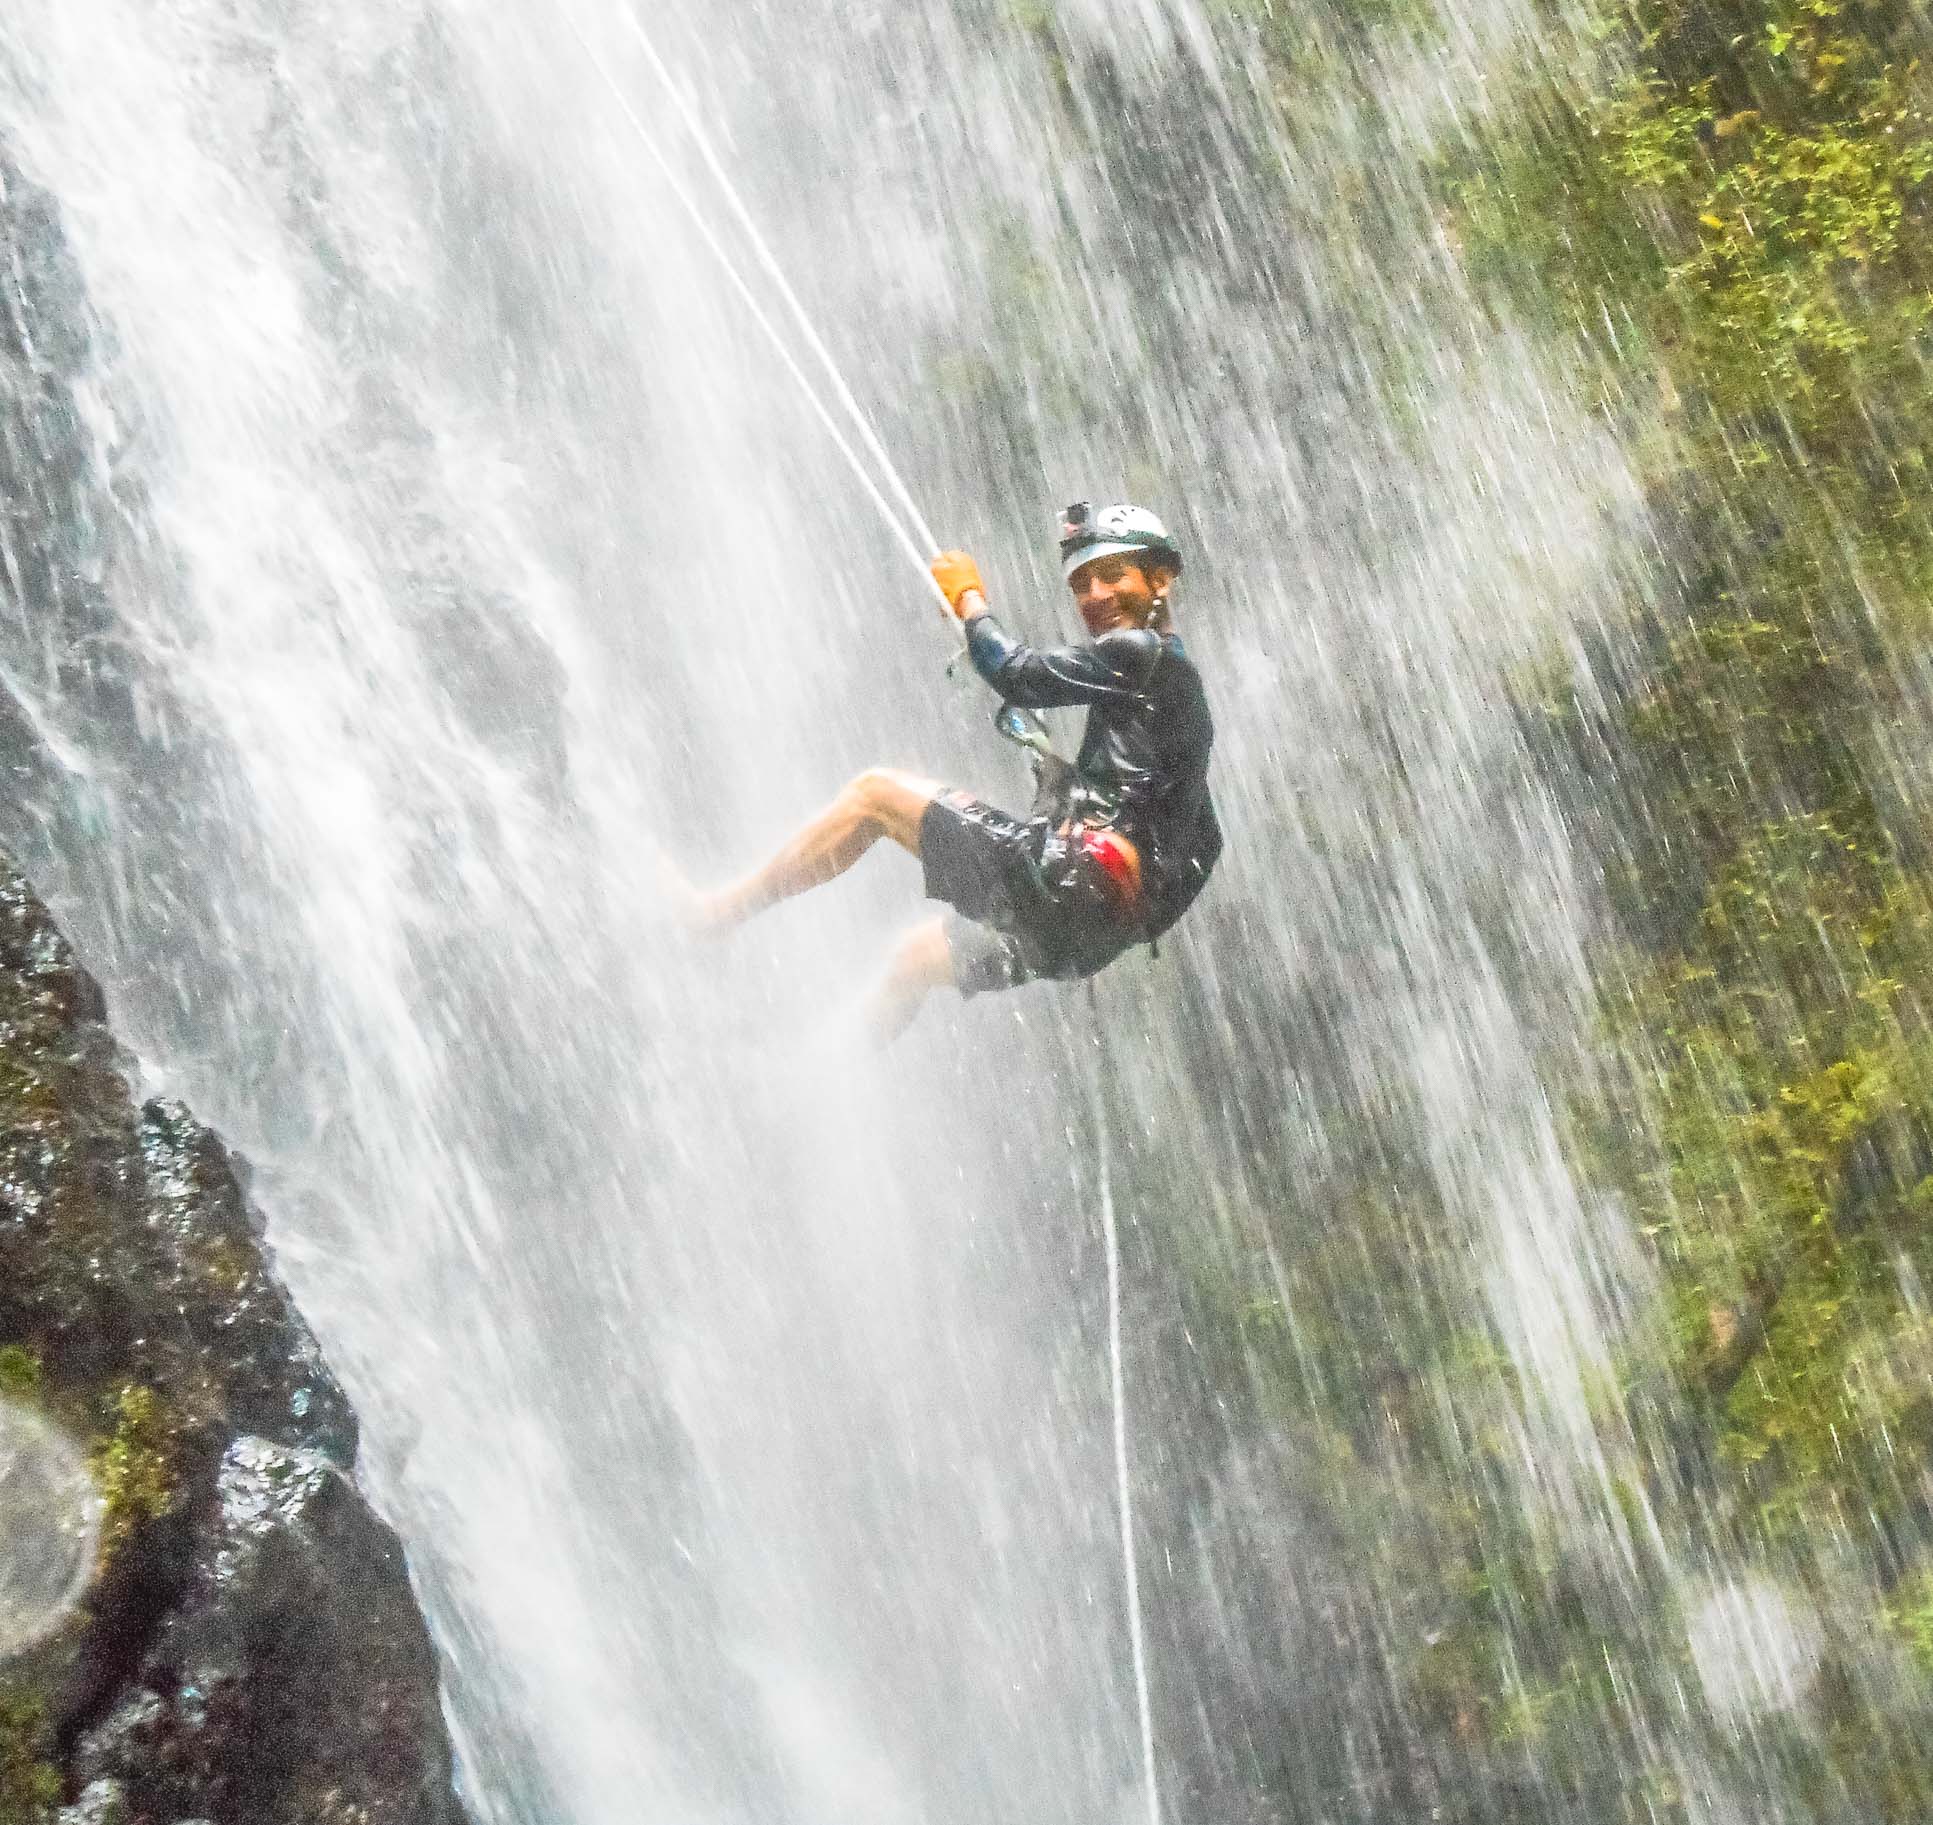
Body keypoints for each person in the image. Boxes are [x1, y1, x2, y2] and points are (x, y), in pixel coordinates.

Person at [693, 502, 1222, 1040]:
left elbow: (1018, 675)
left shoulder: (1143, 654)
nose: (1096, 596)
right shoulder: (1181, 701)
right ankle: (823, 1065)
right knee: (914, 961)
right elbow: (1207, 845)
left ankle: (718, 913)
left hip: (1071, 885)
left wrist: (970, 603)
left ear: (1160, 577)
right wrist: (1122, 907)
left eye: (1112, 576)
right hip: (1089, 935)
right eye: (1082, 585)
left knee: (873, 796)